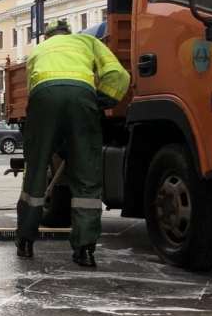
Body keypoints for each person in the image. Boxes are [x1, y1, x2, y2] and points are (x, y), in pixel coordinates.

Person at [15, 20, 130, 267]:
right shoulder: (87, 41)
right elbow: (118, 74)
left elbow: (33, 91)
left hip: (43, 101)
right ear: (69, 33)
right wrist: (100, 101)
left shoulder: (37, 51)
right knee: (86, 177)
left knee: (35, 172)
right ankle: (84, 251)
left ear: (47, 37)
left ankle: (25, 243)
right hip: (81, 100)